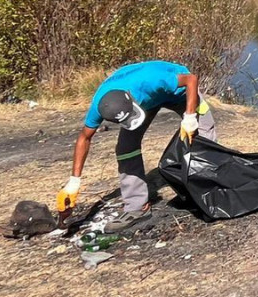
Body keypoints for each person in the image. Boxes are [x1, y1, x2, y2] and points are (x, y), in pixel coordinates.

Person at [57, 60, 216, 231]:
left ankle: (210, 188)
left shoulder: (152, 80)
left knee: (202, 135)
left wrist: (190, 117)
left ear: (131, 98)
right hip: (145, 102)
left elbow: (191, 79)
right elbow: (84, 138)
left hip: (179, 92)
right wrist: (74, 182)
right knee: (125, 148)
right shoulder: (100, 105)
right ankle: (137, 207)